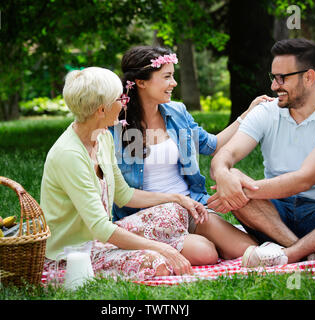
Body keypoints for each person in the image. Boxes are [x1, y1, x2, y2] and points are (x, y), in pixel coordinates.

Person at [208, 38, 315, 267]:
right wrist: (224, 176)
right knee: (231, 175)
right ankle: (309, 251)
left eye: (282, 78)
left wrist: (243, 190)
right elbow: (225, 155)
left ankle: (289, 254)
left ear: (309, 77)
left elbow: (304, 180)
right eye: (273, 78)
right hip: (272, 216)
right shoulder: (266, 112)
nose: (275, 86)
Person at [40, 66, 212, 281]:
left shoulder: (102, 137)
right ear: (101, 110)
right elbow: (101, 228)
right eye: (118, 99)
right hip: (74, 255)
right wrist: (161, 248)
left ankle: (169, 242)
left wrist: (176, 198)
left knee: (173, 209)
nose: (124, 103)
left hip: (100, 238)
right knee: (155, 262)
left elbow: (124, 195)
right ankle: (165, 246)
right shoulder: (69, 155)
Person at [109, 45, 272, 263]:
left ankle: (189, 239)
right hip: (148, 217)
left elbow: (211, 145)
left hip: (191, 206)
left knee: (249, 250)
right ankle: (165, 245)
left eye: (173, 76)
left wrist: (247, 114)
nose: (173, 83)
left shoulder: (177, 112)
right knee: (206, 253)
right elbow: (119, 192)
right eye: (167, 77)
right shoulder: (115, 125)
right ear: (141, 82)